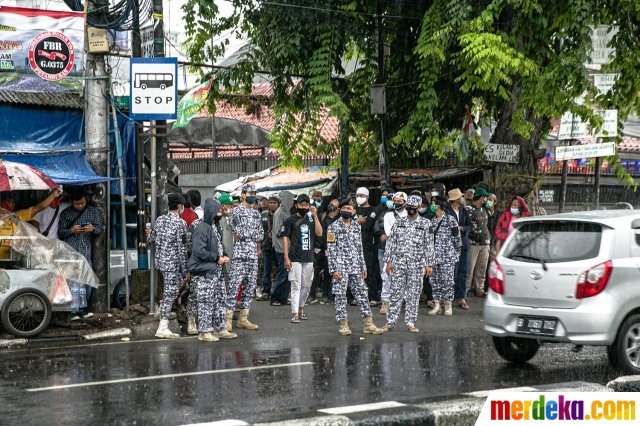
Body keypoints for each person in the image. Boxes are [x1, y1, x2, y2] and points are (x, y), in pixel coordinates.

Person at [327, 199, 384, 336]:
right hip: (340, 266)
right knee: (340, 296)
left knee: (362, 294)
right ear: (340, 210)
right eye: (344, 208)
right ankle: (343, 324)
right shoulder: (333, 227)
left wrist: (363, 266)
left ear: (353, 211)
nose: (347, 210)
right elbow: (331, 248)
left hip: (355, 266)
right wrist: (333, 269)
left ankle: (368, 324)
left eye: (349, 208)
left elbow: (359, 248)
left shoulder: (356, 226)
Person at [188, 198, 237, 341]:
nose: (220, 213)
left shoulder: (214, 226)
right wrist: (217, 258)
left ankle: (220, 328)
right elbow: (199, 251)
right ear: (211, 212)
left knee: (220, 300)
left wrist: (224, 255)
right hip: (205, 272)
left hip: (216, 271)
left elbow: (219, 244)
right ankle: (204, 332)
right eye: (218, 211)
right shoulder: (202, 228)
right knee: (206, 302)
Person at [383, 195, 435, 333]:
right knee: (395, 293)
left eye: (414, 207)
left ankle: (411, 322)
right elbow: (391, 243)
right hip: (399, 263)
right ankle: (390, 322)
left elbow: (429, 245)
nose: (411, 209)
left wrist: (429, 264)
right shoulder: (398, 222)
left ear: (419, 208)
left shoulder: (425, 224)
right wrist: (388, 261)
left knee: (414, 294)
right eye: (409, 207)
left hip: (417, 264)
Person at [58, 191, 103, 320]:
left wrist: (92, 229)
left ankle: (83, 309)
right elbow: (61, 232)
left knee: (86, 280)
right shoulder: (66, 213)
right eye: (77, 204)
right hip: (70, 251)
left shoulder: (92, 212)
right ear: (72, 202)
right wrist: (71, 231)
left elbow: (99, 228)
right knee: (71, 281)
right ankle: (72, 310)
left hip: (85, 251)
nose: (80, 206)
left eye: (82, 203)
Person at [149, 193, 188, 338]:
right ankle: (162, 325)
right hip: (171, 263)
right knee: (170, 292)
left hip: (160, 262)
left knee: (170, 289)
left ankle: (161, 309)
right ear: (179, 207)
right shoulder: (180, 224)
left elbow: (152, 238)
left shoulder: (160, 220)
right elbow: (182, 248)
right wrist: (186, 270)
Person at [226, 184, 264, 331]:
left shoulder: (256, 214)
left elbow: (260, 234)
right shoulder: (235, 212)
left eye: (254, 192)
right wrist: (250, 233)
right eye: (250, 193)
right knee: (234, 287)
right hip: (239, 255)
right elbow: (238, 232)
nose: (252, 195)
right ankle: (227, 319)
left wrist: (249, 233)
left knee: (250, 288)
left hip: (252, 255)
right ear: (242, 195)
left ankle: (243, 318)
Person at [283, 194, 322, 323]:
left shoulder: (311, 219)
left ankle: (301, 308)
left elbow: (319, 233)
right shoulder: (290, 220)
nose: (304, 207)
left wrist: (315, 215)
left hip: (309, 257)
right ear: (296, 205)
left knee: (306, 285)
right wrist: (286, 257)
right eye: (301, 205)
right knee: (296, 284)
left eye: (306, 205)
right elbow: (285, 238)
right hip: (295, 258)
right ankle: (294, 313)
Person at [0, 188, 63, 259]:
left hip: (11, 261)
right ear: (2, 202)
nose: (14, 204)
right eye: (10, 201)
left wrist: (53, 195)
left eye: (14, 202)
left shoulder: (17, 216)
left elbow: (38, 208)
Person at [429, 197, 461, 316]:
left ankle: (448, 305)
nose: (432, 206)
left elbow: (456, 238)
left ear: (439, 206)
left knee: (447, 281)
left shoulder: (450, 220)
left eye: (434, 204)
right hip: (434, 257)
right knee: (435, 281)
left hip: (447, 256)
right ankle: (437, 304)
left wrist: (456, 253)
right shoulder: (432, 221)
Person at [380, 191, 408, 315]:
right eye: (395, 201)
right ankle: (385, 302)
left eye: (399, 201)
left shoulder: (410, 215)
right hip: (391, 251)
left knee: (405, 277)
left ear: (405, 203)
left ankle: (402, 301)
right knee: (387, 277)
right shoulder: (388, 215)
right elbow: (388, 232)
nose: (396, 203)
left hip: (406, 251)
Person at [445, 188, 472, 310]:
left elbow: (470, 226)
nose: (463, 198)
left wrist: (462, 228)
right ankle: (449, 298)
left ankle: (462, 297)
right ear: (456, 199)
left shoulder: (464, 210)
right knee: (452, 273)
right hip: (451, 246)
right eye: (461, 197)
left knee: (463, 272)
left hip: (464, 244)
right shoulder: (447, 212)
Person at [354, 187, 380, 306]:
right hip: (354, 246)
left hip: (368, 246)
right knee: (356, 271)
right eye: (358, 195)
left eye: (362, 195)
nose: (359, 197)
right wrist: (358, 220)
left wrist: (357, 221)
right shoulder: (354, 210)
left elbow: (367, 226)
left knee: (369, 270)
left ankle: (373, 296)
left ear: (367, 197)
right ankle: (358, 296)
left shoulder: (373, 210)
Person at [466, 187, 491, 299]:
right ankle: (465, 289)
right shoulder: (468, 209)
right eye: (485, 197)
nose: (486, 199)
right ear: (481, 198)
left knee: (482, 267)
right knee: (469, 268)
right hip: (473, 243)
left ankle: (479, 288)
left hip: (485, 242)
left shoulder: (485, 210)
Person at [271, 190, 294, 306]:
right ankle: (275, 297)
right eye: (290, 200)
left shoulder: (287, 212)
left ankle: (283, 298)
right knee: (282, 273)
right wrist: (290, 231)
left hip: (288, 247)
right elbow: (279, 231)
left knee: (288, 274)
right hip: (281, 247)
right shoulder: (279, 213)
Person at [257, 195, 279, 301]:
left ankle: (276, 291)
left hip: (278, 246)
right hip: (266, 245)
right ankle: (266, 291)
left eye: (274, 203)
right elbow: (259, 233)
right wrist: (259, 248)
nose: (272, 204)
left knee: (279, 269)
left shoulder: (280, 215)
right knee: (266, 269)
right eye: (270, 202)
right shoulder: (263, 215)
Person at [319, 198, 340, 304]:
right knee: (327, 272)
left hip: (339, 250)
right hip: (327, 249)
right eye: (331, 204)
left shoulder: (341, 218)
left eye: (334, 205)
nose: (332, 206)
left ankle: (335, 295)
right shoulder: (324, 217)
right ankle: (326, 294)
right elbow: (321, 233)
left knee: (338, 273)